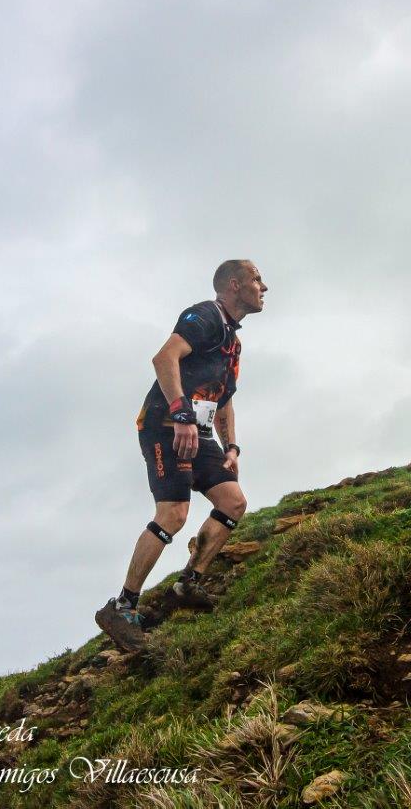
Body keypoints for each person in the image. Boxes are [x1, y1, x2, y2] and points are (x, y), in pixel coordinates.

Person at [95, 260, 268, 652]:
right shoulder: (206, 315)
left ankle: (187, 583)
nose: (264, 287)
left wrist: (233, 447)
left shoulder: (233, 343)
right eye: (258, 279)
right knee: (173, 513)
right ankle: (122, 607)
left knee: (233, 501)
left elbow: (224, 400)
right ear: (235, 285)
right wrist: (180, 412)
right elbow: (163, 358)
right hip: (165, 425)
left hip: (199, 432)